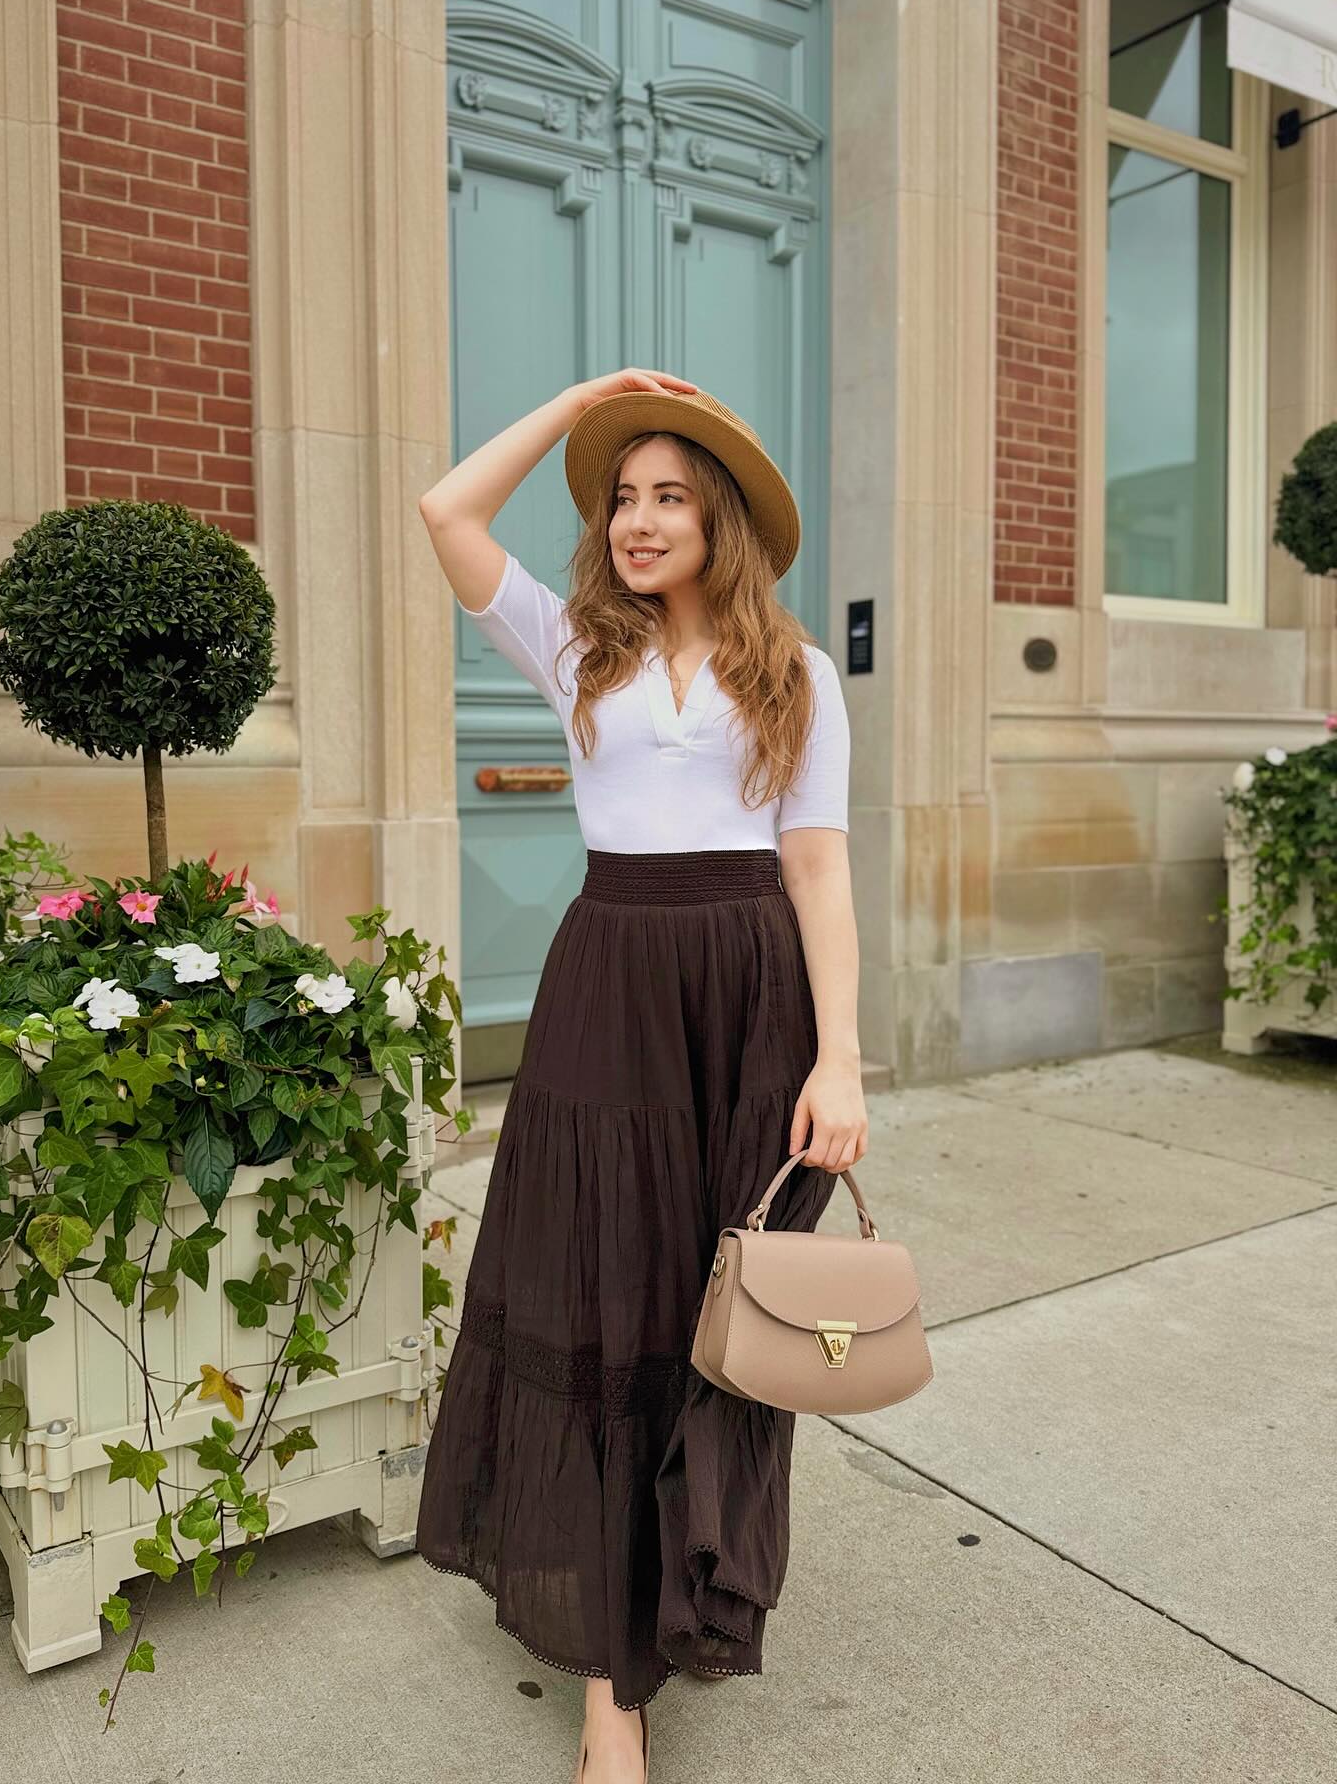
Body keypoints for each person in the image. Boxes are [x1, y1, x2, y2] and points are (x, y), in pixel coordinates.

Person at [414, 369, 868, 1784]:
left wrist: (841, 1057)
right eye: (623, 496)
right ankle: (618, 1682)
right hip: (610, 992)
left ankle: (689, 1588)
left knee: (719, 1312)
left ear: (719, 520)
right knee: (606, 1304)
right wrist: (581, 404)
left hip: (749, 1004)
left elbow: (817, 869)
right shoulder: (575, 651)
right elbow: (445, 508)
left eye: (669, 495)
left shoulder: (797, 674)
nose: (637, 519)